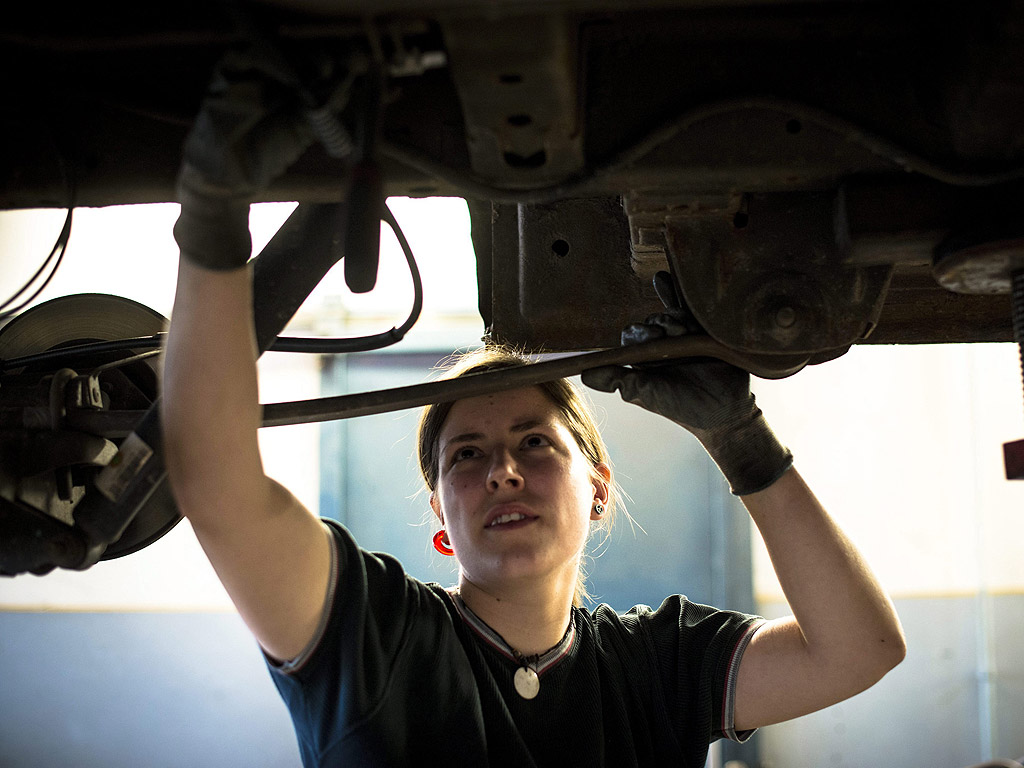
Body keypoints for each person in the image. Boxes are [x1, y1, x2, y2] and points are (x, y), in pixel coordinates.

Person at [161, 51, 906, 768]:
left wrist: (743, 442)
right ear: (440, 521)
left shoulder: (659, 664)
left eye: (537, 443)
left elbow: (860, 651)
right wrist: (214, 211)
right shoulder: (370, 635)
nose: (503, 473)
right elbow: (218, 487)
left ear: (599, 490)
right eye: (467, 455)